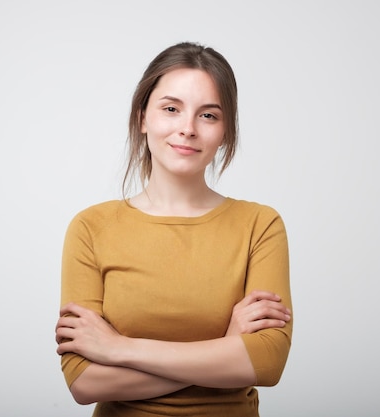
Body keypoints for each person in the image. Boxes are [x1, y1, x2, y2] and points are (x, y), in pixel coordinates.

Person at [55, 41, 293, 417]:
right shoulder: (91, 228)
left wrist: (119, 349)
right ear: (142, 118)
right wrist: (226, 348)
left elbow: (266, 362)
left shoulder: (260, 225)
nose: (188, 129)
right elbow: (84, 382)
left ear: (226, 130)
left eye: (208, 116)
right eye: (171, 109)